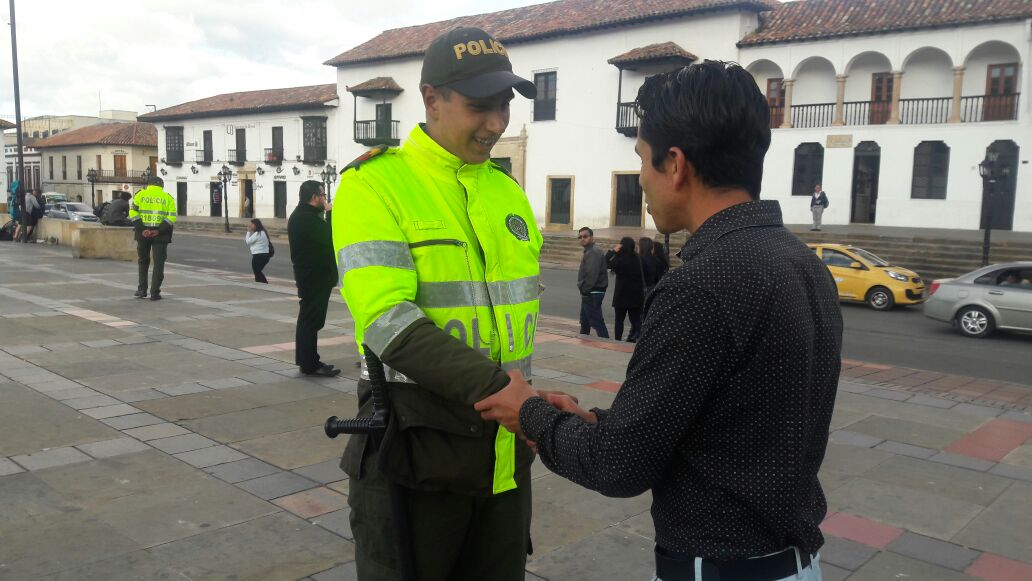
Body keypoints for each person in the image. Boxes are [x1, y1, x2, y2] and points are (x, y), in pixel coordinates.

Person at [476, 61, 843, 581]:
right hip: (795, 561)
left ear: (676, 164)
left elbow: (619, 467)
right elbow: (731, 424)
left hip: (719, 565)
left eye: (643, 161)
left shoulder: (702, 284)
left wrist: (529, 413)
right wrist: (600, 425)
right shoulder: (802, 263)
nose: (642, 180)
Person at [332, 26, 541, 581]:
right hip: (415, 451)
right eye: (479, 107)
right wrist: (502, 390)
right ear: (431, 99)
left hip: (504, 454)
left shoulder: (507, 190)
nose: (497, 123)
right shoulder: (374, 185)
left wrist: (527, 404)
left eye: (504, 105)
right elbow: (384, 318)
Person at [287, 180, 340, 377]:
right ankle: (310, 364)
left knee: (307, 320)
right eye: (323, 195)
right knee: (311, 321)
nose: (325, 198)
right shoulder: (305, 218)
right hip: (314, 278)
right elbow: (330, 236)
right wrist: (330, 212)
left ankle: (306, 360)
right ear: (314, 197)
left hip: (312, 277)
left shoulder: (304, 215)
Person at [129, 177, 177, 300]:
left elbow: (133, 213)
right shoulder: (168, 198)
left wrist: (142, 228)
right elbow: (171, 217)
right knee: (158, 264)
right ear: (162, 185)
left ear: (148, 185)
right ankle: (155, 292)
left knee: (143, 261)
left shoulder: (140, 195)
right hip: (161, 235)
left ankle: (141, 290)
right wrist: (158, 230)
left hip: (142, 234)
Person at [606, 236, 645, 342]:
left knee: (619, 320)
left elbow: (606, 262)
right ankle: (641, 338)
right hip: (635, 294)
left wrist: (613, 251)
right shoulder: (638, 258)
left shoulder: (619, 260)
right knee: (635, 320)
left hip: (621, 295)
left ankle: (617, 340)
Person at [578, 226, 610, 338]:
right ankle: (583, 340)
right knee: (585, 321)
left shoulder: (593, 252)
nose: (582, 239)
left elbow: (592, 274)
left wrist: (585, 290)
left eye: (585, 236)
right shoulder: (590, 251)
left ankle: (606, 343)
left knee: (596, 322)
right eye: (580, 237)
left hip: (592, 292)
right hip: (590, 292)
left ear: (591, 237)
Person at [245, 218, 272, 283]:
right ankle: (260, 283)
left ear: (256, 225)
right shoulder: (263, 232)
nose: (251, 226)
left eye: (252, 224)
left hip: (258, 256)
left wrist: (248, 231)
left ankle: (264, 283)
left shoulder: (258, 233)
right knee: (257, 271)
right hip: (264, 256)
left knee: (257, 271)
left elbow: (248, 242)